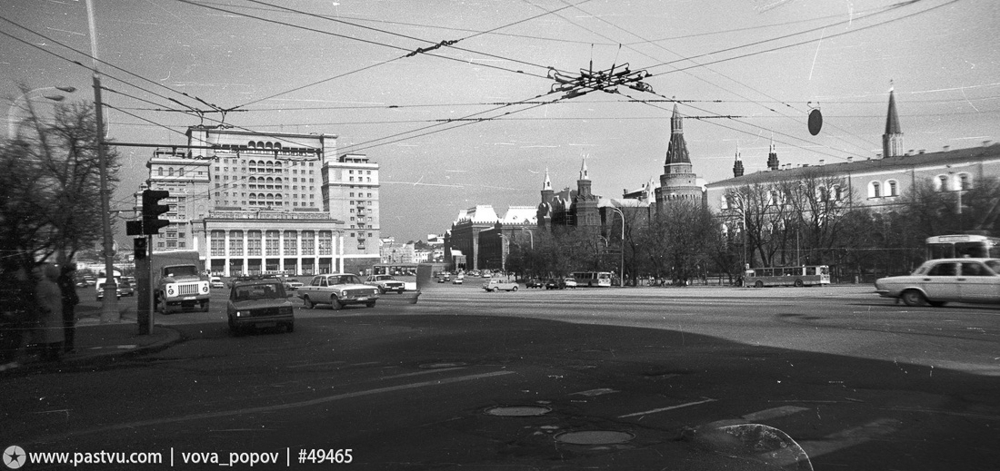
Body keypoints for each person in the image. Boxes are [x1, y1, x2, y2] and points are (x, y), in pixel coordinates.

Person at [35, 264, 65, 362]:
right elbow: (40, 297)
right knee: (50, 335)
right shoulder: (44, 284)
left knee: (54, 335)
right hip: (50, 314)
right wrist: (47, 308)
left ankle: (53, 354)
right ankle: (50, 355)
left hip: (55, 313)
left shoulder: (51, 284)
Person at [57, 262, 80, 354]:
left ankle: (68, 346)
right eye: (72, 271)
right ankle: (68, 347)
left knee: (69, 327)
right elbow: (67, 293)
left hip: (68, 306)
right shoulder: (64, 281)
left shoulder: (65, 280)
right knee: (68, 327)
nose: (73, 273)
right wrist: (72, 299)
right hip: (66, 307)